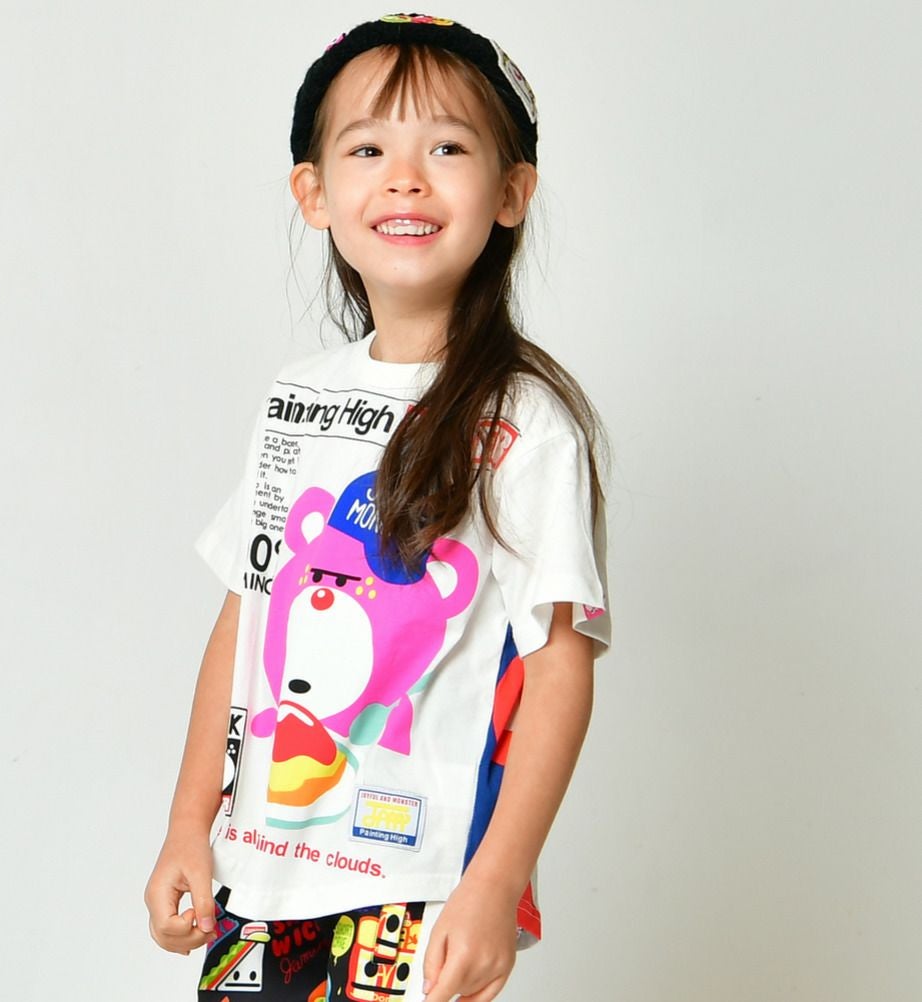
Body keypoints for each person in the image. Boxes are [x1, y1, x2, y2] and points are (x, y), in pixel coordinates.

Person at [144, 13, 611, 1002]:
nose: (406, 179)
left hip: (418, 884)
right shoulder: (296, 397)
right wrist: (189, 824)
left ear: (512, 192)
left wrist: (497, 882)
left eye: (447, 148)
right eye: (368, 150)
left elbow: (559, 665)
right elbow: (247, 616)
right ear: (313, 192)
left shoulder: (523, 422)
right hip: (257, 878)